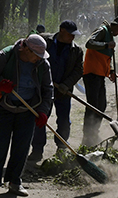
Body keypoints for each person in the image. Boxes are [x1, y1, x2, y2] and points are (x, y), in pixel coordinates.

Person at [0, 34, 53, 198]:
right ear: (26, 49)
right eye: (36, 55)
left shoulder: (43, 64)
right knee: (0, 146)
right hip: (3, 108)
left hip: (28, 110)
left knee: (21, 147)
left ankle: (14, 182)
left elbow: (48, 91)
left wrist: (43, 111)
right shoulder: (5, 56)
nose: (38, 59)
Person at [29, 20, 84, 161]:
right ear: (61, 31)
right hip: (43, 90)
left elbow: (78, 71)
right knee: (40, 118)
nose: (73, 38)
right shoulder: (45, 42)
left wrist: (66, 84)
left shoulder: (76, 50)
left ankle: (61, 149)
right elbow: (32, 58)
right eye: (70, 35)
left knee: (64, 120)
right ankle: (37, 150)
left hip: (63, 91)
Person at [81, 16, 118, 146]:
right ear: (117, 26)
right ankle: (88, 137)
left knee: (101, 105)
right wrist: (106, 44)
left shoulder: (110, 36)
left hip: (100, 74)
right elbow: (89, 43)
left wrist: (111, 70)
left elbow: (106, 58)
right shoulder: (102, 30)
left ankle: (94, 133)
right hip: (91, 73)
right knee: (93, 106)